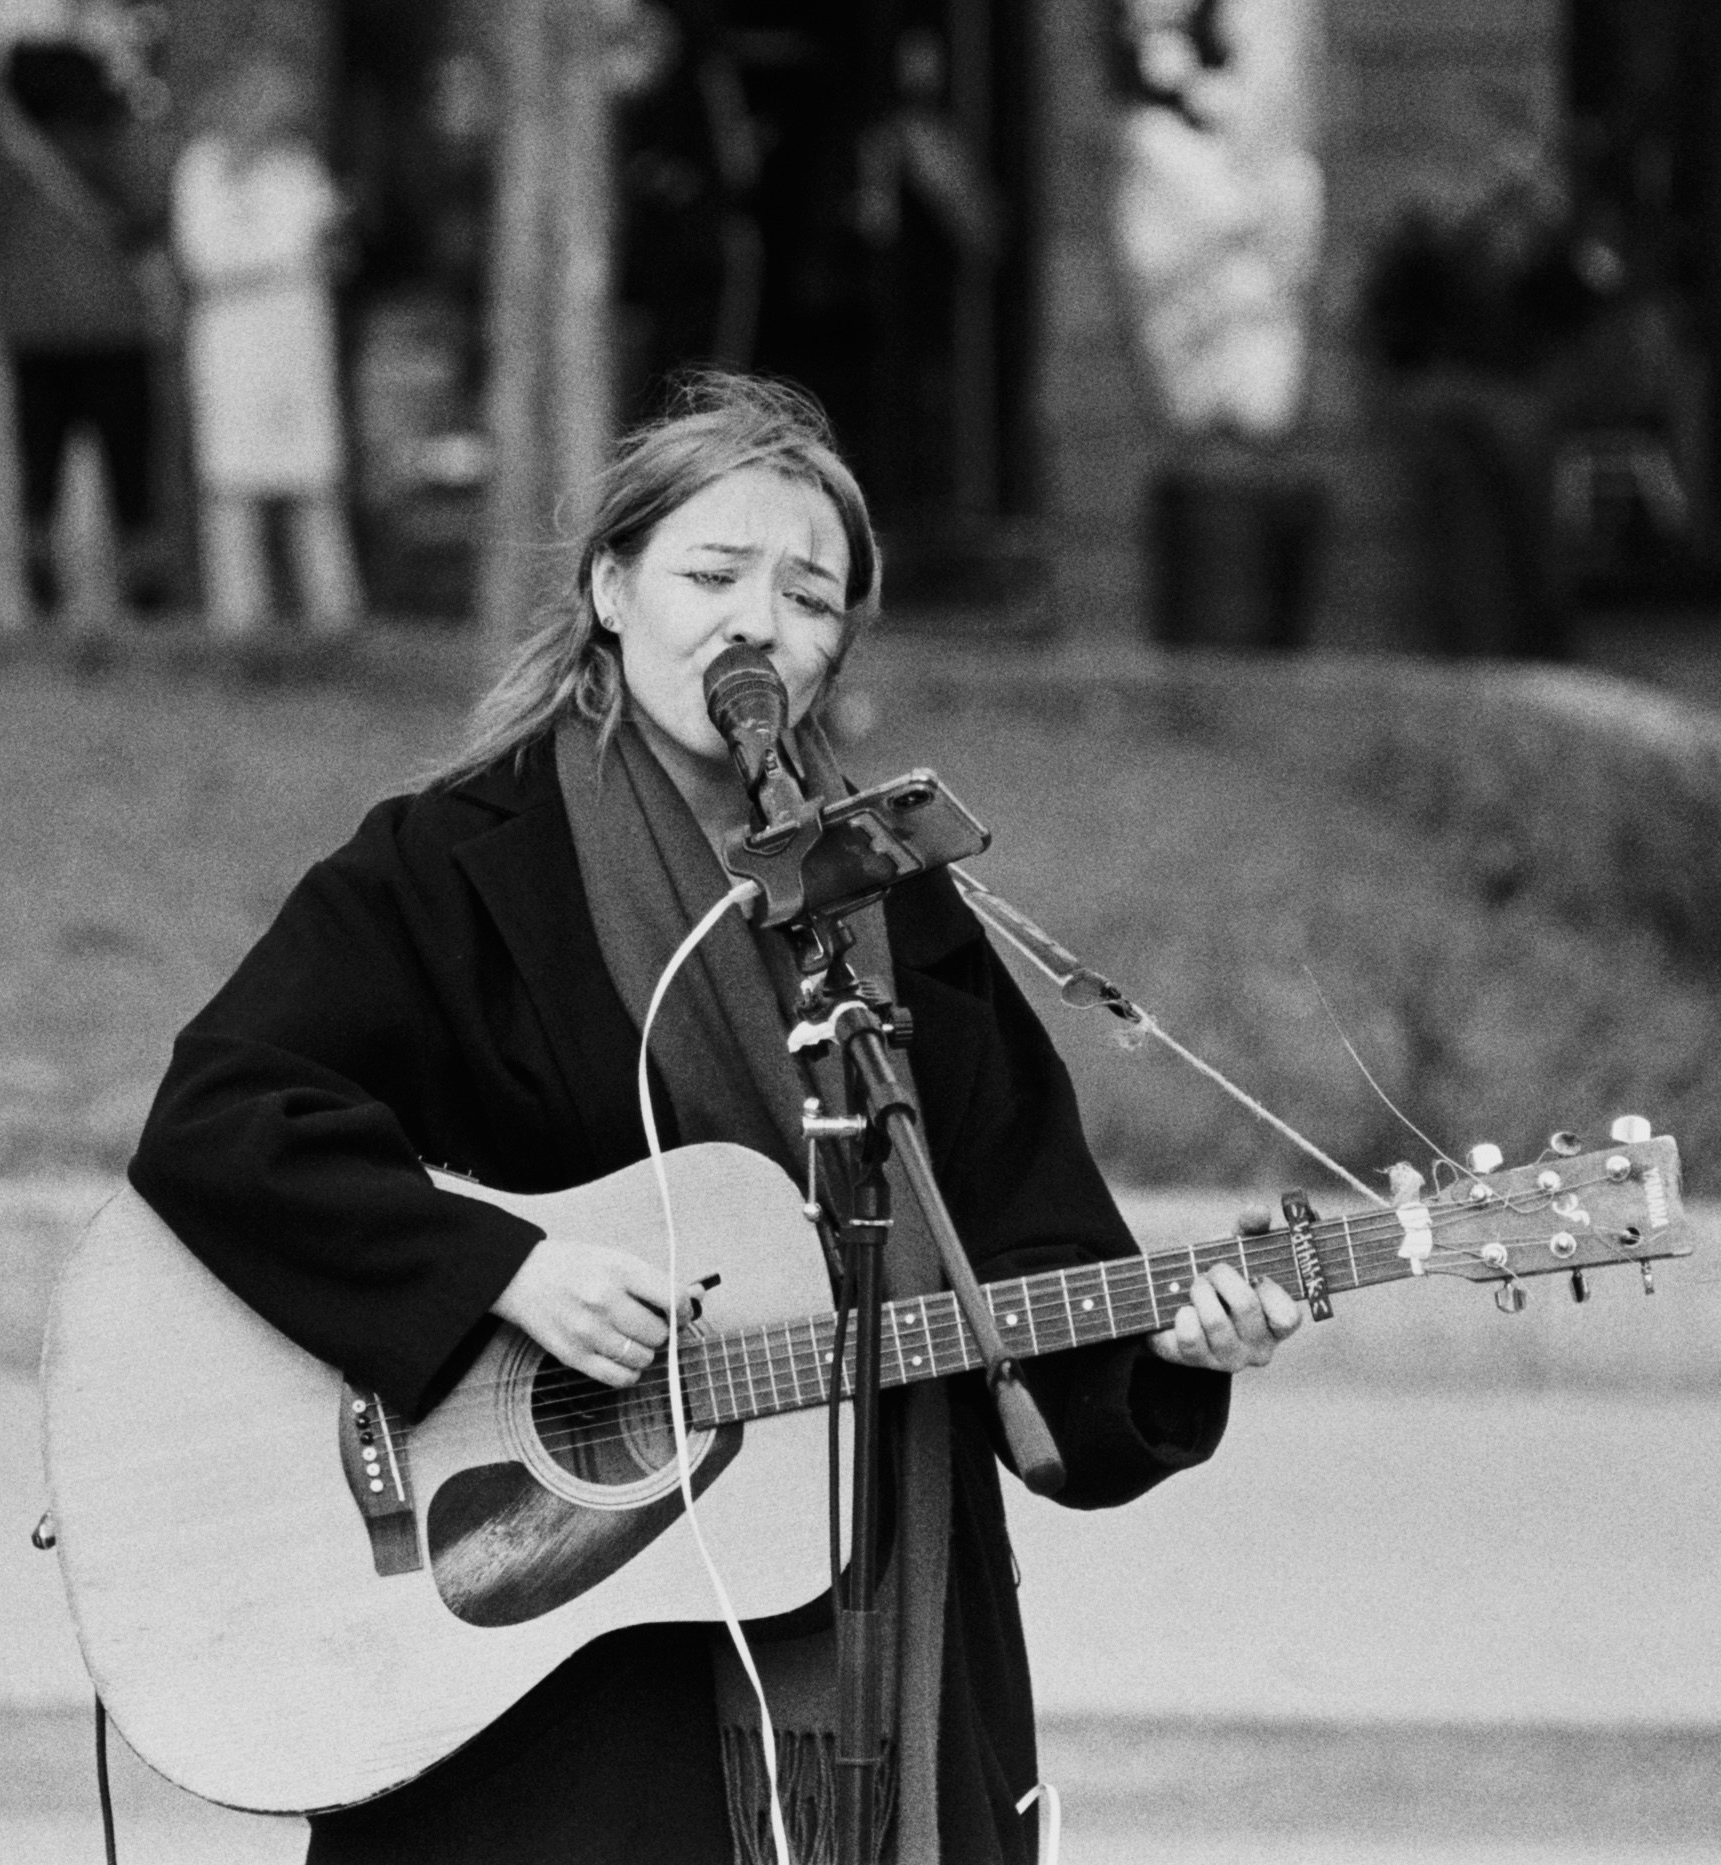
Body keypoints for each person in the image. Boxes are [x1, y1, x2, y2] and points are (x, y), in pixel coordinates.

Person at [127, 373, 1302, 1865]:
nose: (756, 624)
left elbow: (1022, 1255)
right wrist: (496, 1267)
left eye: (807, 597)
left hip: (881, 1609)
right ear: (610, 589)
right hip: (545, 1652)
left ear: (834, 654)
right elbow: (222, 1111)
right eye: (710, 574)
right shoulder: (458, 862)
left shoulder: (901, 911)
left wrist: (1170, 1349)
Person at [0, 39, 173, 621]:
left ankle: (40, 591)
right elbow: (147, 206)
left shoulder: (0, 145)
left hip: (31, 332)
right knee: (130, 468)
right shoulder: (106, 131)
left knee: (39, 472)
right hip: (112, 330)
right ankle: (146, 594)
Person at [170, 61, 364, 636]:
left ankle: (335, 615)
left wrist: (315, 249)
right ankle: (238, 620)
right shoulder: (203, 168)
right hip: (231, 347)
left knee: (312, 481)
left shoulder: (298, 168)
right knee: (232, 485)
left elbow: (333, 251)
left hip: (297, 342)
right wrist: (291, 251)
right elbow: (204, 259)